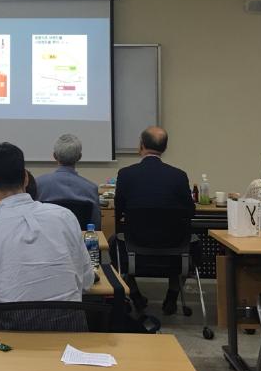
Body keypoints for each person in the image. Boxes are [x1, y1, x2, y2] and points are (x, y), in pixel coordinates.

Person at [0, 142, 94, 326]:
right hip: (72, 333)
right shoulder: (65, 217)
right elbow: (87, 282)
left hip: (11, 337)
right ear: (26, 178)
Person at [115, 126, 194, 314]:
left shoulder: (126, 174)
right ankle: (172, 295)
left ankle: (135, 295)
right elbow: (190, 212)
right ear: (164, 148)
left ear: (141, 145)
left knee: (113, 244)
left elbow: (118, 210)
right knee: (191, 245)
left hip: (135, 248)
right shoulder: (179, 176)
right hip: (174, 249)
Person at [36, 133, 101, 229]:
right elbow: (95, 225)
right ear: (79, 157)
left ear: (54, 156)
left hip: (45, 236)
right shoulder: (91, 188)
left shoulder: (38, 184)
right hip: (78, 237)